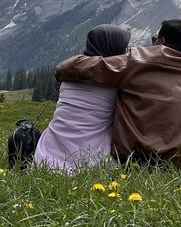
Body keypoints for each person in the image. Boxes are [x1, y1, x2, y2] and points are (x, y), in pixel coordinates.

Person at [55, 19, 181, 167]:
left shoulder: (134, 60)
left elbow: (84, 67)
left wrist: (63, 68)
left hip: (136, 157)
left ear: (160, 41)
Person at [34, 24, 131, 171]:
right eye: (124, 48)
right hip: (88, 162)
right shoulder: (113, 84)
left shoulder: (70, 75)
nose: (126, 52)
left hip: (45, 155)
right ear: (112, 48)